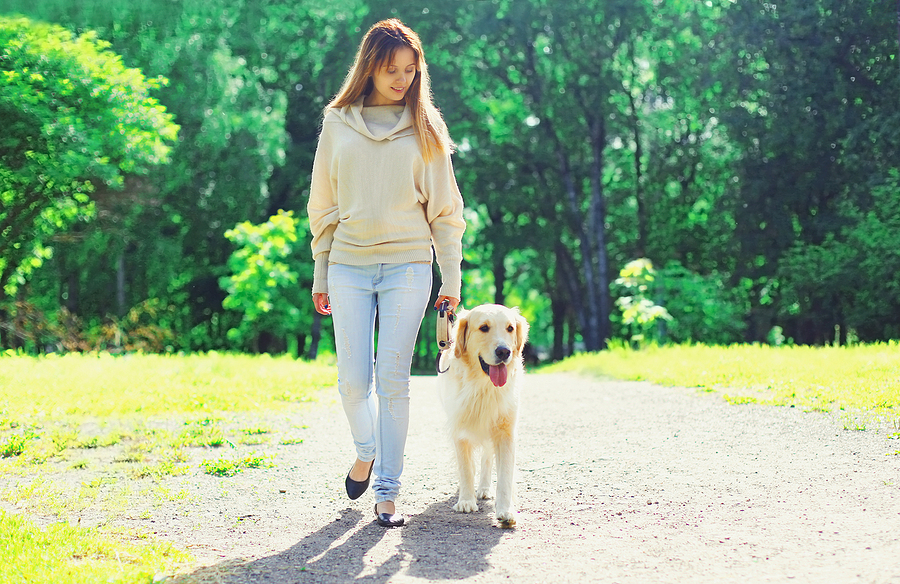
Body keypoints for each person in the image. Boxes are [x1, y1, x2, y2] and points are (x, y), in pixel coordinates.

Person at [307, 18, 465, 528]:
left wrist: (451, 280)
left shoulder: (426, 128)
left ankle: (388, 493)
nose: (401, 78)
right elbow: (323, 205)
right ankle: (366, 451)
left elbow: (445, 214)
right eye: (391, 68)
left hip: (408, 266)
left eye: (410, 69)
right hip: (349, 264)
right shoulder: (338, 122)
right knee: (352, 384)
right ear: (369, 65)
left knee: (393, 380)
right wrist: (321, 270)